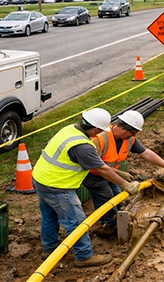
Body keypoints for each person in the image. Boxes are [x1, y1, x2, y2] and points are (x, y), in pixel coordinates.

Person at [32, 108, 140, 267]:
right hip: (58, 187)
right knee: (76, 222)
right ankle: (84, 256)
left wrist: (118, 173)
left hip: (41, 179)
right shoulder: (82, 145)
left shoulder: (69, 130)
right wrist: (124, 184)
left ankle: (49, 249)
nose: (100, 134)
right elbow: (101, 169)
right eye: (99, 131)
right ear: (95, 129)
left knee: (49, 216)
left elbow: (100, 165)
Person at [82, 110, 164, 237]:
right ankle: (110, 227)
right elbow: (97, 167)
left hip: (111, 175)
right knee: (106, 199)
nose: (133, 136)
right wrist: (121, 176)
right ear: (124, 128)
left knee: (118, 198)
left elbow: (146, 153)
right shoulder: (99, 139)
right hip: (95, 176)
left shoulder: (129, 139)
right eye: (133, 133)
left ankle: (119, 219)